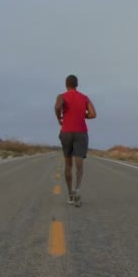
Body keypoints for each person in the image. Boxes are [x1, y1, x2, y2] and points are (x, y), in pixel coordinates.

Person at [54, 74, 96, 207]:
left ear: (66, 84)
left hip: (66, 132)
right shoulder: (84, 97)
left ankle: (70, 196)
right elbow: (93, 114)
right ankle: (77, 190)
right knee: (79, 165)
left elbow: (57, 107)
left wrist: (59, 118)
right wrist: (83, 115)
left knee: (68, 165)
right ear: (77, 85)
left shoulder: (61, 96)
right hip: (81, 133)